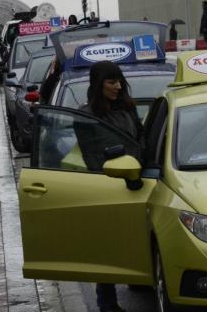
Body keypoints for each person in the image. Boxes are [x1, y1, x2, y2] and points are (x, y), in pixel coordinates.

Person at [80, 61, 143, 312]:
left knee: (135, 240)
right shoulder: (86, 115)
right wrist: (113, 174)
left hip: (136, 183)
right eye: (111, 82)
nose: (118, 86)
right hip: (106, 186)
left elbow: (141, 138)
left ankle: (139, 279)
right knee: (106, 247)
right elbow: (92, 156)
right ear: (98, 85)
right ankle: (107, 302)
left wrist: (140, 167)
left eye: (119, 81)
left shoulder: (128, 108)